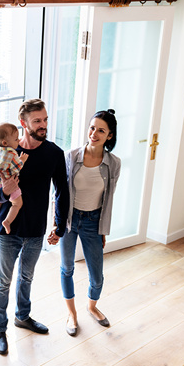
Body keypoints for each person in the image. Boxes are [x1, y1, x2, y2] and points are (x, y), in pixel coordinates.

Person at [0, 98, 69, 355]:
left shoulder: (54, 153)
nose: (43, 125)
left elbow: (62, 192)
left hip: (35, 230)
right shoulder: (4, 151)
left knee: (27, 277)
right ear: (23, 124)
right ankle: (0, 329)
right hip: (8, 231)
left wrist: (59, 225)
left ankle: (23, 316)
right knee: (3, 282)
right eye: (37, 121)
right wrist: (5, 193)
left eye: (45, 119)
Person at [59, 110, 121, 336]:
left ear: (110, 136)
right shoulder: (71, 156)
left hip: (93, 221)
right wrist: (57, 225)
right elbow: (61, 194)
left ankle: (92, 307)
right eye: (92, 127)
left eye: (101, 130)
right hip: (69, 219)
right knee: (67, 268)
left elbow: (109, 199)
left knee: (97, 275)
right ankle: (72, 314)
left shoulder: (114, 164)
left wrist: (103, 229)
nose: (94, 133)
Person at [0, 122, 29, 234]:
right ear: (5, 142)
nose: (18, 141)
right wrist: (23, 159)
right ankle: (7, 221)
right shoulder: (12, 154)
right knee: (17, 203)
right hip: (9, 183)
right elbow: (18, 167)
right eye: (16, 139)